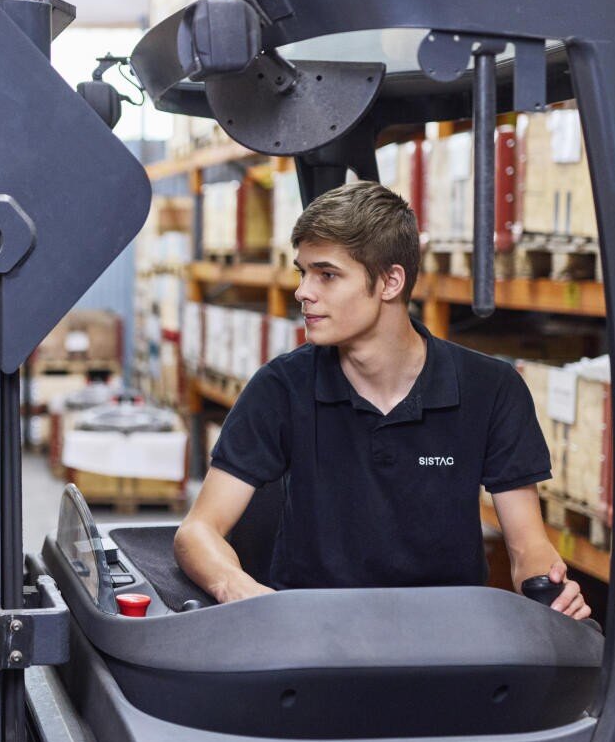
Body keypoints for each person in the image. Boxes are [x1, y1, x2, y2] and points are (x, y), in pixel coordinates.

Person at [174, 180, 590, 619]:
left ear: (391, 281)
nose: (302, 292)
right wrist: (241, 590)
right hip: (313, 634)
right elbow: (198, 531)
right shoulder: (281, 388)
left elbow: (528, 547)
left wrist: (554, 592)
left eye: (327, 275)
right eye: (303, 272)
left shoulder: (492, 389)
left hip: (447, 636)